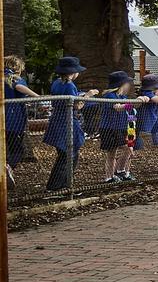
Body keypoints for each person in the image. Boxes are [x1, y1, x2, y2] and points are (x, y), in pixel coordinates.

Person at [43, 56, 97, 191]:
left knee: (64, 154)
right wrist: (88, 95)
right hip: (67, 121)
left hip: (56, 120)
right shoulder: (70, 85)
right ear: (73, 72)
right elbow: (77, 105)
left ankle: (62, 185)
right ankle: (57, 186)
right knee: (68, 154)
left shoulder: (56, 83)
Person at [99, 71, 157, 183]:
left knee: (129, 148)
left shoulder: (123, 96)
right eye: (126, 83)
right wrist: (132, 103)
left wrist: (141, 100)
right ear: (121, 84)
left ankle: (120, 171)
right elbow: (118, 107)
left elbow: (132, 107)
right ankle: (109, 177)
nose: (129, 85)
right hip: (110, 128)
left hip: (122, 127)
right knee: (112, 153)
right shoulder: (109, 96)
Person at [4, 56, 39, 190]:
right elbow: (18, 87)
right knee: (17, 149)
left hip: (6, 118)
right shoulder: (14, 78)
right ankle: (8, 167)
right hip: (13, 119)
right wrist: (36, 96)